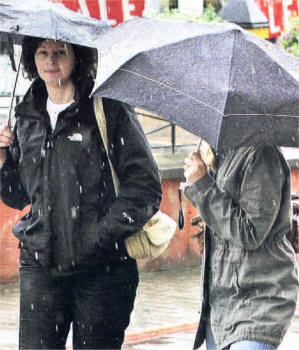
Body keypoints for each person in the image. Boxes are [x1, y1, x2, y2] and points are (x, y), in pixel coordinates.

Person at [0, 36, 162, 349]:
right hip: (40, 263)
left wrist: (96, 237)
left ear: (78, 58)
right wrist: (2, 160)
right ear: (32, 59)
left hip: (102, 269)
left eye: (61, 52)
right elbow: (18, 196)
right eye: (43, 52)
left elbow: (145, 186)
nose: (51, 60)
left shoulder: (107, 108)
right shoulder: (27, 114)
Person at [183, 142, 298, 350]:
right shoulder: (222, 153)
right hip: (221, 307)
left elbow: (251, 232)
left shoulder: (260, 153)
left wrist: (202, 185)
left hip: (258, 302)